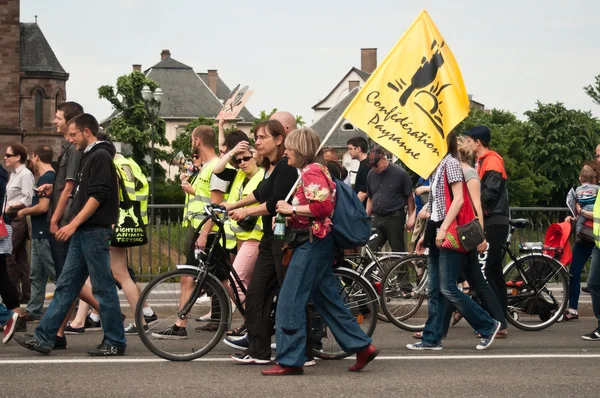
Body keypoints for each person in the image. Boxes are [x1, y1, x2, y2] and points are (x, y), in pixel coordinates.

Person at [259, 127, 378, 376]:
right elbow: (317, 208)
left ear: (300, 148)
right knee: (327, 301)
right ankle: (362, 346)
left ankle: (291, 359)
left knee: (289, 300)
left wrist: (291, 210)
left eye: (289, 147)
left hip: (312, 243)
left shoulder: (312, 171)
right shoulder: (315, 170)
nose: (286, 152)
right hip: (318, 241)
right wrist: (290, 215)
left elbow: (322, 207)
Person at [14, 113, 125, 356]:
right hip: (85, 231)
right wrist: (54, 189)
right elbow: (83, 190)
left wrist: (72, 224)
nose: (70, 139)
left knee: (103, 287)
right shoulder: (89, 155)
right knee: (65, 285)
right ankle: (44, 338)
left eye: (74, 134)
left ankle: (115, 341)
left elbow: (98, 195)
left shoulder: (99, 156)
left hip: (93, 230)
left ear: (87, 132)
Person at [224, 116, 312, 365]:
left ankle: (305, 352)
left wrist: (246, 212)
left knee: (290, 295)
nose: (257, 142)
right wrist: (234, 204)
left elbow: (275, 202)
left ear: (279, 139)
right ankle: (258, 350)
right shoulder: (270, 167)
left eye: (262, 137)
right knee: (256, 293)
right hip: (269, 239)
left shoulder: (286, 166)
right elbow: (260, 193)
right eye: (256, 138)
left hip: (284, 241)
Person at [408, 131, 501, 351]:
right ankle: (432, 338)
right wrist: (426, 236)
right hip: (438, 231)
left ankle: (488, 325)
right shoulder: (440, 165)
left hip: (448, 233)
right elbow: (436, 203)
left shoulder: (450, 163)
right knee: (436, 290)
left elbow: (458, 200)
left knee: (448, 288)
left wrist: (442, 230)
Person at [152, 125, 234, 339]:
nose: (190, 142)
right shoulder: (208, 166)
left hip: (207, 230)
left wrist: (204, 232)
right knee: (221, 278)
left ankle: (180, 325)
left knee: (189, 277)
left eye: (191, 139)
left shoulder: (216, 167)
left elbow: (216, 204)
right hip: (204, 228)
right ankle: (227, 319)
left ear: (198, 141)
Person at [213, 138, 265, 336]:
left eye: (246, 158)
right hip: (239, 236)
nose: (242, 163)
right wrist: (232, 151)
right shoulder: (238, 176)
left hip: (256, 234)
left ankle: (255, 323)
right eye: (238, 160)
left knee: (235, 282)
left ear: (256, 158)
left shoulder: (262, 176)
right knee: (245, 283)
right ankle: (251, 322)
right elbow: (217, 169)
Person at [464, 125, 510, 318]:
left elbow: (489, 193)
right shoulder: (481, 161)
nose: (466, 144)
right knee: (494, 272)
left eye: (468, 141)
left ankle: (495, 318)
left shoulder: (491, 161)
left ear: (477, 142)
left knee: (486, 271)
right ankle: (500, 315)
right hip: (493, 219)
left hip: (494, 220)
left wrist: (469, 200)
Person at [18, 146, 56, 322]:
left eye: (32, 158)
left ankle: (79, 307)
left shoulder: (47, 178)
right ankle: (33, 310)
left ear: (37, 157)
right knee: (37, 275)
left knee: (56, 274)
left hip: (44, 233)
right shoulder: (49, 177)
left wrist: (24, 211)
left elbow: (43, 207)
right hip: (39, 234)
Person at [365, 146, 415, 253]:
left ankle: (401, 269)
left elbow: (409, 196)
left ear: (384, 159)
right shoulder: (371, 175)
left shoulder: (400, 174)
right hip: (377, 217)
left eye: (376, 165)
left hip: (394, 217)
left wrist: (411, 217)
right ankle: (372, 269)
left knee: (397, 250)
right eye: (372, 166)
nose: (374, 168)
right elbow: (370, 198)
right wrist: (366, 217)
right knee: (371, 248)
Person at [4, 143, 35, 304]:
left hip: (17, 218)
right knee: (21, 258)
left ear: (18, 157)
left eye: (8, 155)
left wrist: (12, 205)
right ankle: (25, 295)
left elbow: (28, 198)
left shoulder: (25, 174)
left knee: (9, 256)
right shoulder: (13, 174)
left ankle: (12, 295)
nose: (5, 158)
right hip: (11, 218)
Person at [346, 136, 370, 204]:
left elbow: (363, 192)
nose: (348, 152)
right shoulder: (364, 164)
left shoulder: (366, 166)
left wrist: (353, 207)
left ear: (358, 149)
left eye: (350, 149)